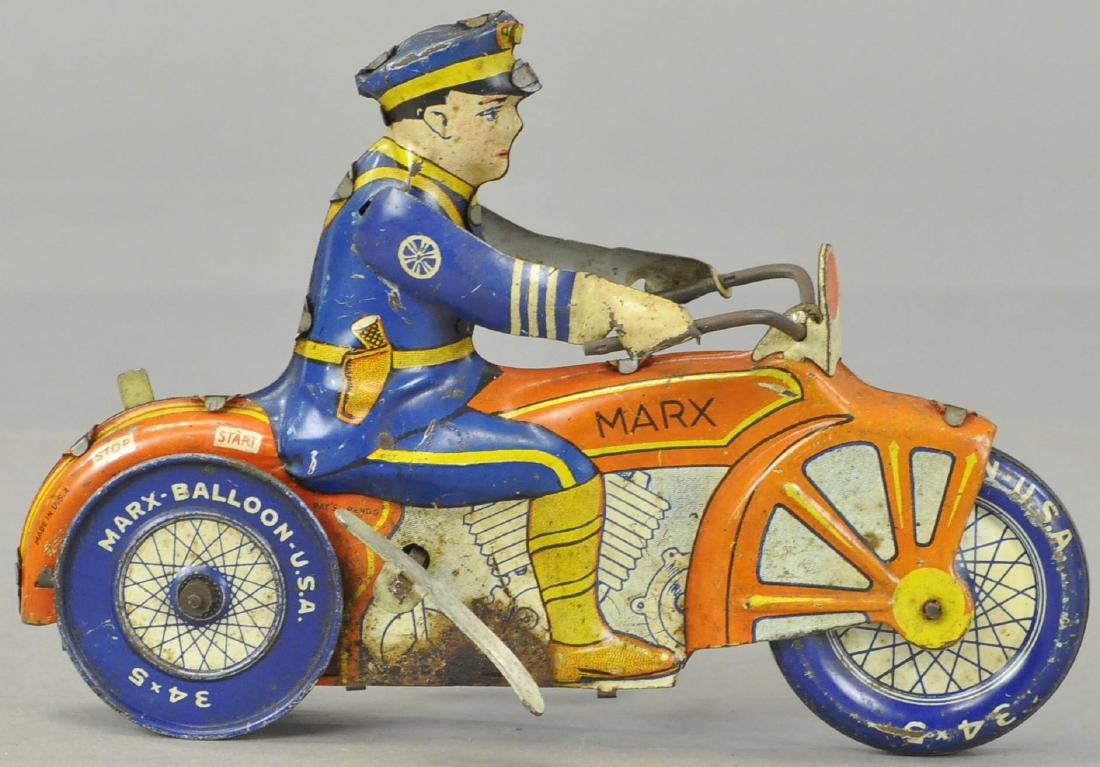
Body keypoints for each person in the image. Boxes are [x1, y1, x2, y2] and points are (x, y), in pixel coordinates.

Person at [252, 11, 704, 684]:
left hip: (439, 389)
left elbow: (522, 249)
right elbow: (495, 287)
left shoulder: (427, 186)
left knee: (577, 409)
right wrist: (614, 307)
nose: (514, 126)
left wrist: (639, 273)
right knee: (561, 466)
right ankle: (577, 642)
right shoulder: (395, 209)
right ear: (437, 118)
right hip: (373, 422)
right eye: (494, 111)